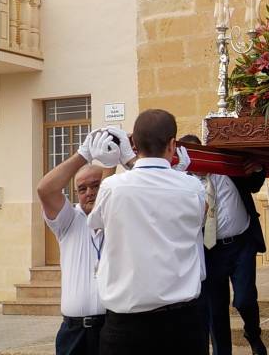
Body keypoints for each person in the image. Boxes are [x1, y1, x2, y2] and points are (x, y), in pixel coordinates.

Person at [87, 109, 207, 354]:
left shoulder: (113, 187)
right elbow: (201, 215)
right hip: (182, 324)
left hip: (128, 326)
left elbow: (95, 221)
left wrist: (114, 163)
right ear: (173, 145)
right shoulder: (192, 186)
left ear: (133, 143)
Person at [36, 128, 132, 355]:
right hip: (74, 332)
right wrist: (84, 153)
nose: (89, 192)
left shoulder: (118, 216)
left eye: (96, 185)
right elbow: (45, 189)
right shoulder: (68, 220)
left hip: (113, 326)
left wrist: (123, 157)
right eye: (82, 188)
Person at [177, 134, 268, 355]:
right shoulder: (183, 185)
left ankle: (253, 334)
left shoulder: (228, 168)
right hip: (209, 251)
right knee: (215, 310)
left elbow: (254, 183)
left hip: (241, 244)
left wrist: (257, 169)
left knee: (245, 299)